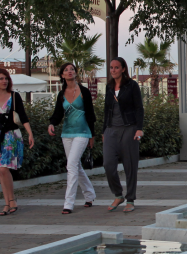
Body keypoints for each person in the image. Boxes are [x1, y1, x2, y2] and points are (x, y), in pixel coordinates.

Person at [0, 68, 35, 216]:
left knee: (4, 168)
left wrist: (30, 134)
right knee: (1, 171)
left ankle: (12, 200)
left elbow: (23, 116)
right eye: (1, 78)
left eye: (6, 78)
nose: (4, 81)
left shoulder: (14, 96)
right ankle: (7, 202)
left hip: (12, 136)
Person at [48, 62, 97, 214]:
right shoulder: (61, 94)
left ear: (76, 73)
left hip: (83, 132)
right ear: (62, 75)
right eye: (66, 70)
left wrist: (92, 135)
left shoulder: (84, 91)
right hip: (67, 133)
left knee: (71, 165)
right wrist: (51, 124)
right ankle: (90, 195)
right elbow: (58, 113)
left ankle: (68, 203)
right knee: (75, 165)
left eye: (72, 69)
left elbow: (90, 114)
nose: (69, 72)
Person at [102, 57, 144, 213]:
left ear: (123, 69)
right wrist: (103, 131)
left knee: (130, 166)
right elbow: (106, 111)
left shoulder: (131, 86)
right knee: (108, 164)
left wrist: (139, 128)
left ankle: (130, 199)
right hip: (111, 130)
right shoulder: (109, 87)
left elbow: (139, 108)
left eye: (116, 67)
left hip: (129, 129)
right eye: (111, 67)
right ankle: (118, 195)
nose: (113, 70)